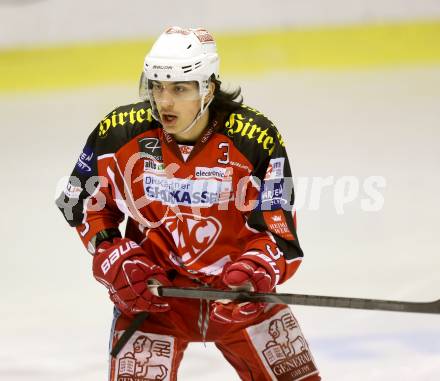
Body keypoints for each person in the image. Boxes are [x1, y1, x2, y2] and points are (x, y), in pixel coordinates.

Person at [57, 26, 321, 381]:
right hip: (150, 300)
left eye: (179, 88)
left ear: (208, 88)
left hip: (241, 301)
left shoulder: (255, 139)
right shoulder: (118, 132)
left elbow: (280, 233)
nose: (164, 101)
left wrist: (258, 271)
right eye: (157, 86)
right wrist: (112, 255)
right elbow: (81, 202)